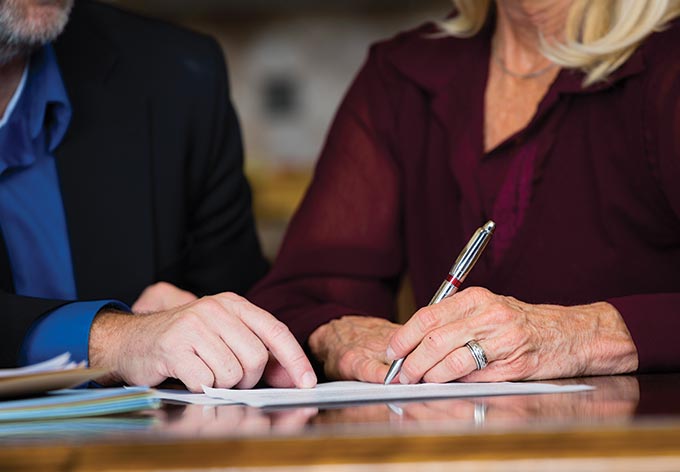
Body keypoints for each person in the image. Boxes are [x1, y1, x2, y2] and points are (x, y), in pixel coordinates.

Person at [249, 0, 680, 384]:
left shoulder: (667, 63)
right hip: (451, 451)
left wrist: (583, 334)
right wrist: (339, 333)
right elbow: (304, 297)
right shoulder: (403, 72)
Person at [0, 0, 317, 392]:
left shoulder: (178, 74)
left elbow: (248, 308)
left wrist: (202, 323)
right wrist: (112, 339)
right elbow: (130, 340)